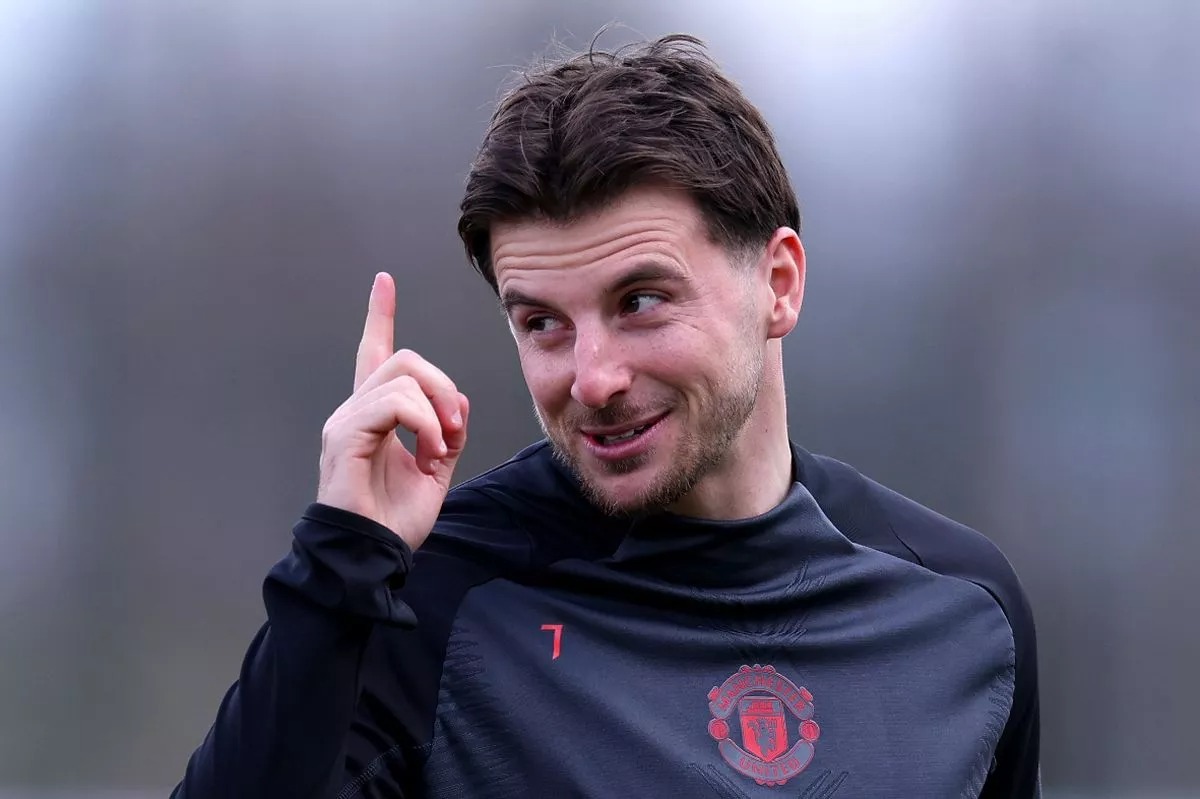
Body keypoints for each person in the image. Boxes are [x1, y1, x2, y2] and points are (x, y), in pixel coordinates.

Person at [172, 33, 1039, 798]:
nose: (592, 379)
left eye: (641, 301)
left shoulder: (961, 608)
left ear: (778, 284)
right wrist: (337, 567)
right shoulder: (433, 599)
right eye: (542, 322)